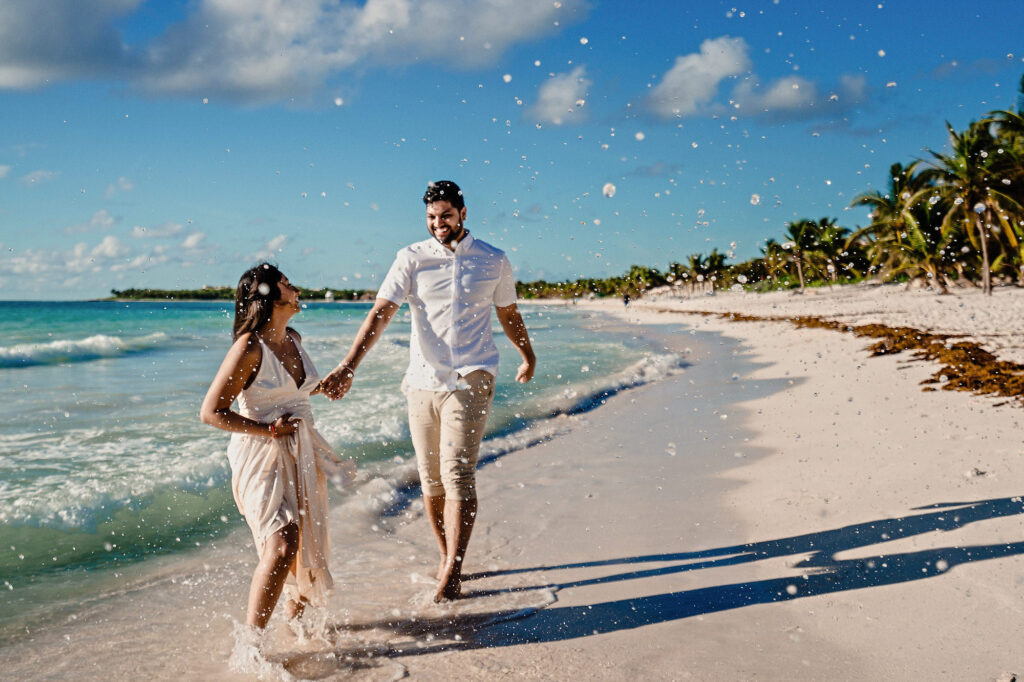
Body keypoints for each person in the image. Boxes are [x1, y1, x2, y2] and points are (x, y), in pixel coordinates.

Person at [318, 180, 536, 602]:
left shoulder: (493, 260)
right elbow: (381, 312)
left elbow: (508, 312)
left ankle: (453, 570)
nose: (439, 225)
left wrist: (527, 355)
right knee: (431, 479)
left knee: (457, 473)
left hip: (473, 375)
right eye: (432, 218)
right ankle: (445, 556)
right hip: (421, 380)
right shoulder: (411, 259)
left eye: (446, 216)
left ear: (464, 213)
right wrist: (348, 366)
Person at [200, 263, 355, 631]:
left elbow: (291, 389)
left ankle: (297, 630)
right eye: (286, 283)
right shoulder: (249, 346)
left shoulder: (294, 337)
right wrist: (269, 429)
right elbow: (211, 412)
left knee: (301, 546)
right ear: (267, 296)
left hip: (300, 452)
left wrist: (324, 386)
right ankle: (251, 645)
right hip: (261, 455)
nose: (295, 287)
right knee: (283, 543)